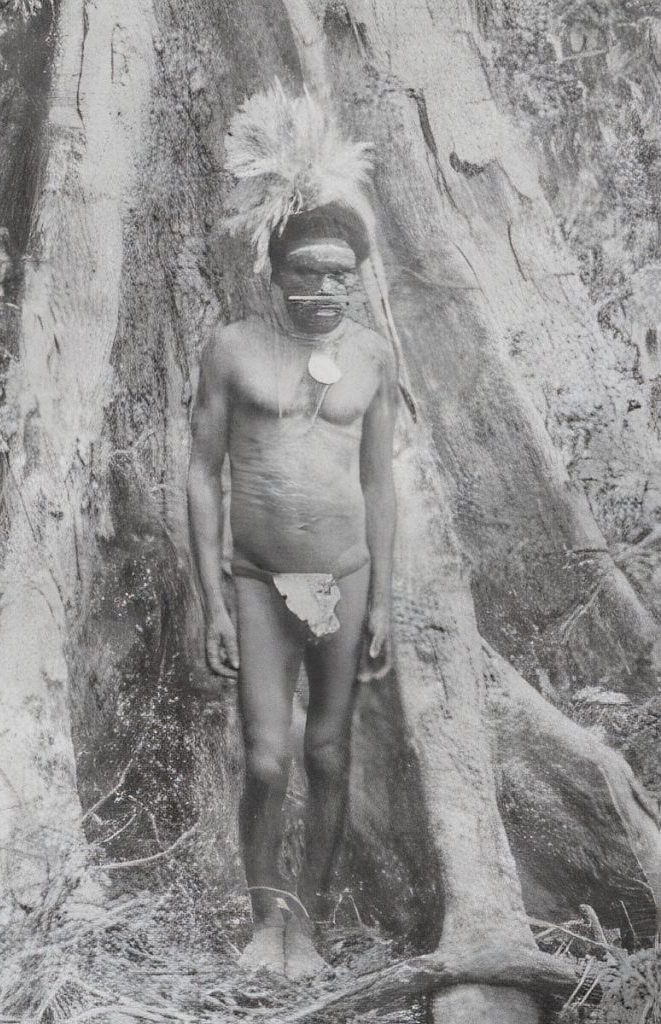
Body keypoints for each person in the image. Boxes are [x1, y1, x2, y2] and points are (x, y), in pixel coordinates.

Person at [188, 84, 405, 977]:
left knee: (328, 749)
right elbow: (203, 475)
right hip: (259, 583)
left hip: (344, 581)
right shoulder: (233, 347)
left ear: (358, 279)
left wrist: (384, 598)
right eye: (306, 272)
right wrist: (212, 602)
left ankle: (308, 923)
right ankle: (264, 918)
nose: (323, 290)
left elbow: (379, 484)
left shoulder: (372, 357)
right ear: (274, 275)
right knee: (270, 760)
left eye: (338, 275)